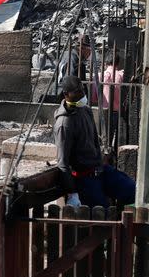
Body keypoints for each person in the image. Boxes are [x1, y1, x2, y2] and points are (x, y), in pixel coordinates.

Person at [54, 75, 135, 208]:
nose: (82, 94)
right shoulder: (64, 124)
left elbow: (95, 141)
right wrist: (72, 193)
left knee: (132, 189)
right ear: (66, 94)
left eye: (82, 90)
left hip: (100, 170)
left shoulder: (85, 111)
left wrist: (102, 155)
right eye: (77, 92)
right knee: (102, 211)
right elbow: (63, 163)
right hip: (84, 178)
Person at [102, 53, 124, 150]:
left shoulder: (100, 76)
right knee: (117, 138)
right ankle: (114, 157)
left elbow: (94, 98)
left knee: (104, 138)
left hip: (103, 110)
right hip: (117, 111)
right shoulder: (121, 75)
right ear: (118, 63)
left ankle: (104, 156)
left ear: (106, 63)